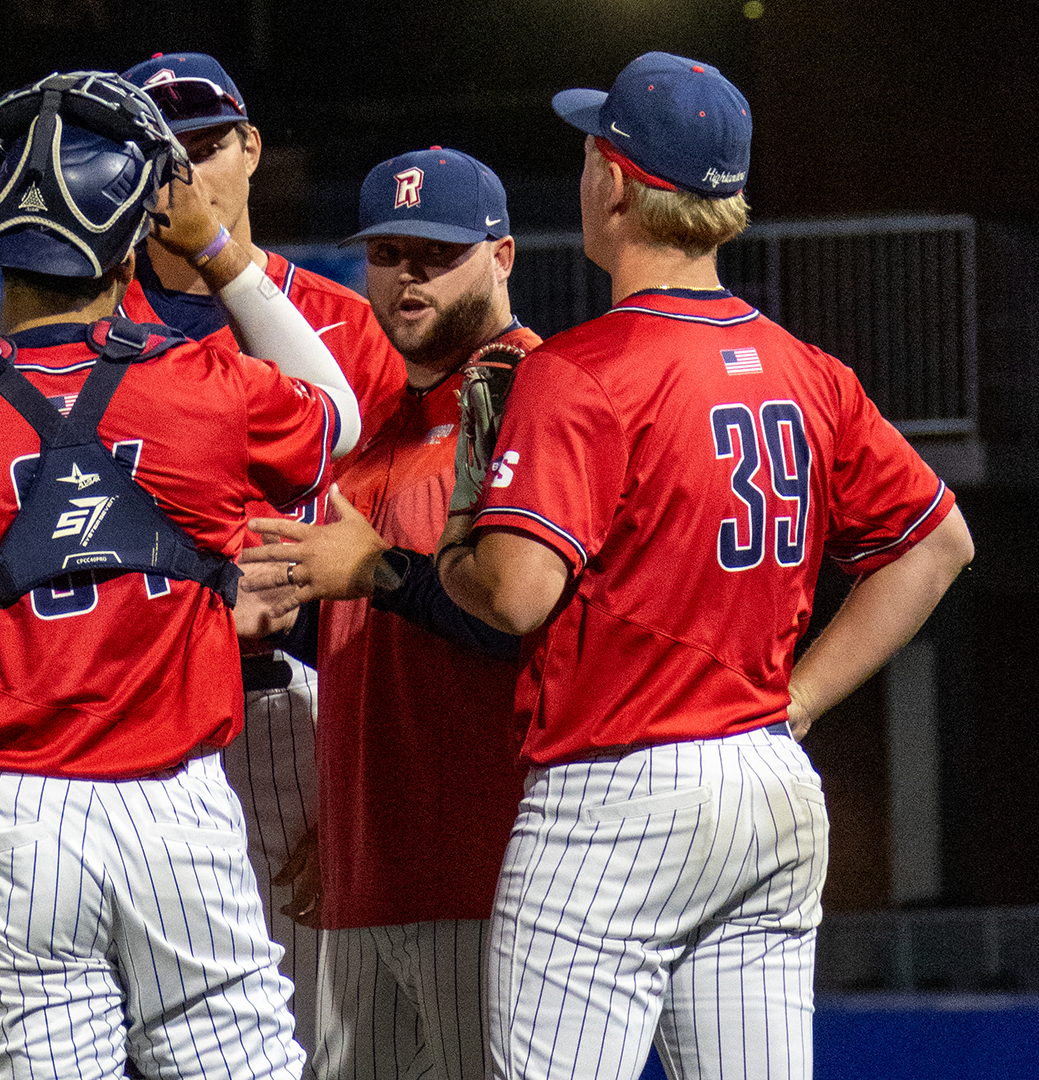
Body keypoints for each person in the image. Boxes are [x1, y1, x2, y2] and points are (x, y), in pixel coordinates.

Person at [432, 53, 975, 1080]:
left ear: (614, 182)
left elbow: (515, 593)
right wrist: (799, 700)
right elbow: (937, 545)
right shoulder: (810, 372)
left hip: (616, 791)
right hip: (765, 773)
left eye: (593, 153)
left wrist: (462, 525)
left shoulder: (580, 372)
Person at [0, 71, 362, 1079]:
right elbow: (341, 412)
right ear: (131, 224)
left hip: (13, 820)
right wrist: (216, 248)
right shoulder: (204, 386)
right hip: (178, 808)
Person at [117, 52, 406, 1052]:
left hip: (288, 707)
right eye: (159, 153)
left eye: (204, 146)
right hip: (131, 713)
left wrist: (361, 789)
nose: (183, 174)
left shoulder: (339, 325)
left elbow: (396, 548)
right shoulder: (92, 323)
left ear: (250, 148)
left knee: (303, 1039)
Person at [240, 146, 537, 1079]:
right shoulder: (377, 435)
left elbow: (526, 623)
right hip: (370, 877)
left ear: (502, 256)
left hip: (489, 874)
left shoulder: (538, 394)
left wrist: (377, 572)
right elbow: (382, 648)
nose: (408, 277)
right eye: (387, 253)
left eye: (437, 253)